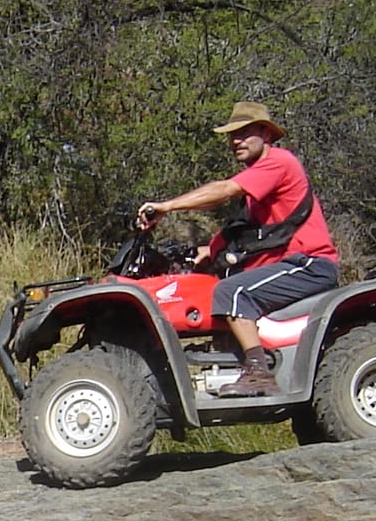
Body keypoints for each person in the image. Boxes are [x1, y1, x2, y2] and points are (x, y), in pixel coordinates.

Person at [135, 101, 340, 396]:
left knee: (232, 291)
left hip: (309, 263)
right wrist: (208, 251)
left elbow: (224, 190)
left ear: (266, 133)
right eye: (232, 135)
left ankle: (258, 372)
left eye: (243, 133)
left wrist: (167, 206)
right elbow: (242, 231)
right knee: (210, 284)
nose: (235, 141)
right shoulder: (258, 187)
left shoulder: (278, 162)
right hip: (290, 265)